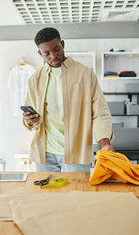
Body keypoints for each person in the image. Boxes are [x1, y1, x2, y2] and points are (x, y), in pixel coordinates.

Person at [22, 27, 115, 172]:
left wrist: (105, 144)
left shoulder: (85, 74)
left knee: (77, 194)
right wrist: (29, 120)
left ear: (63, 44)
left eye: (57, 49)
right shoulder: (35, 79)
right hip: (45, 154)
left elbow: (100, 112)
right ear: (40, 53)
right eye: (47, 53)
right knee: (45, 195)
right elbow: (30, 118)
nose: (53, 56)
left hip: (77, 152)